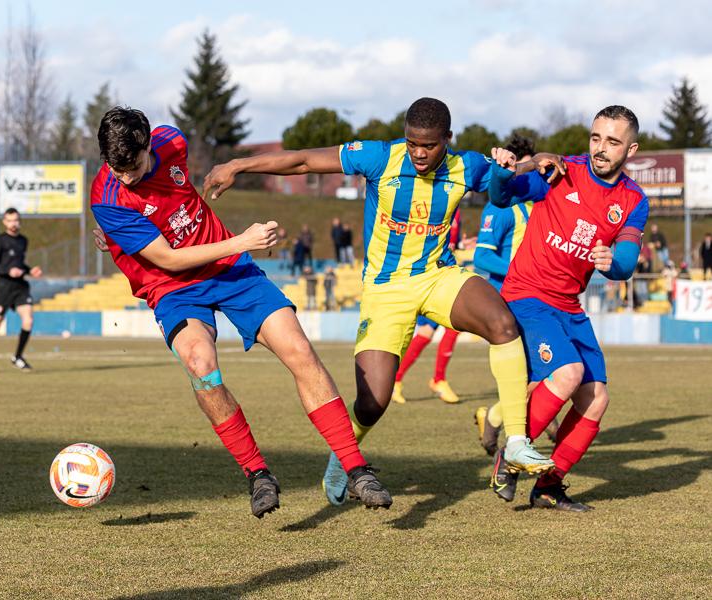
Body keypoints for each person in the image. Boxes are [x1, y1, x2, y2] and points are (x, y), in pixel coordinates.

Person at [204, 97, 556, 508]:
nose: (419, 154)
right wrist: (238, 164)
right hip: (386, 291)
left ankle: (514, 440)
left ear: (448, 140)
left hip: (438, 276)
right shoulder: (380, 157)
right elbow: (303, 162)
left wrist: (545, 159)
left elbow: (517, 181)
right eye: (412, 144)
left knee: (503, 323)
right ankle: (343, 457)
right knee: (372, 403)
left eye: (429, 145)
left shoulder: (467, 166)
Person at [90, 106, 391, 518]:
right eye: (116, 168)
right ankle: (257, 474)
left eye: (135, 166)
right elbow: (167, 259)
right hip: (173, 285)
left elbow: (174, 191)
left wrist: (230, 171)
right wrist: (243, 241)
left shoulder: (171, 141)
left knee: (299, 350)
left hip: (231, 273)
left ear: (147, 144)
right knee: (199, 362)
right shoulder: (106, 197)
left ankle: (356, 469)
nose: (126, 177)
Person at [487, 105, 649, 512]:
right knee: (569, 372)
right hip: (527, 294)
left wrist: (615, 263)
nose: (600, 148)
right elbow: (501, 196)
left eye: (612, 142)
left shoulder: (633, 199)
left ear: (631, 150)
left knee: (596, 399)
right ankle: (509, 454)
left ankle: (548, 486)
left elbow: (627, 261)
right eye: (596, 138)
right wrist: (505, 171)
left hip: (568, 306)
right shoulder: (561, 172)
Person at [472, 134, 558, 455]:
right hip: (507, 300)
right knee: (539, 368)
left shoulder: (536, 204)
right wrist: (521, 269)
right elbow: (481, 257)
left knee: (539, 369)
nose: (536, 170)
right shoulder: (501, 207)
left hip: (536, 295)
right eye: (529, 165)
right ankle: (510, 422)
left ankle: (494, 417)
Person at [391, 210, 464, 405]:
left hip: (445, 275)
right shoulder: (433, 203)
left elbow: (450, 244)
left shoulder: (456, 210)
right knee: (426, 332)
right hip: (427, 277)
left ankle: (435, 379)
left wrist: (464, 245)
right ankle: (398, 381)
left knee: (452, 326)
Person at [0, 207, 43, 373]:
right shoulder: (1, 240)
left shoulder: (23, 241)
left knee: (28, 320)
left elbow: (20, 265)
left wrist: (29, 271)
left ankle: (18, 357)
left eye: (16, 220)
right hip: (4, 287)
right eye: (10, 220)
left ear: (19, 221)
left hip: (20, 287)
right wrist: (8, 271)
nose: (14, 223)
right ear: (5, 222)